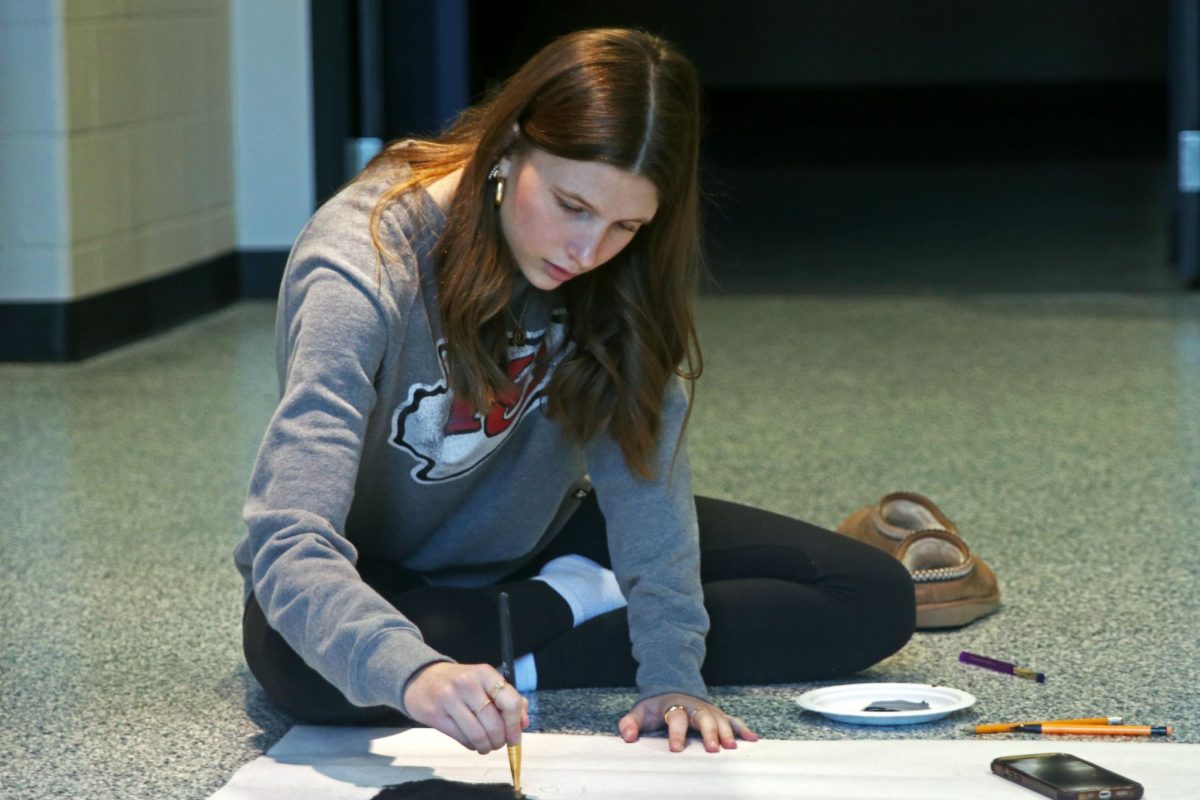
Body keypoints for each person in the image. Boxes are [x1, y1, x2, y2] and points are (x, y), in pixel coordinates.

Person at [236, 27, 915, 758]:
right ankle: (570, 604)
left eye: (627, 224)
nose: (587, 252)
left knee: (871, 596)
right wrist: (419, 673)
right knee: (300, 668)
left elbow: (646, 485)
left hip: (539, 534)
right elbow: (287, 538)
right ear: (507, 149)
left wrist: (672, 675)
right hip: (388, 570)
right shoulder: (359, 266)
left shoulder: (616, 272)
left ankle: (513, 647)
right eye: (571, 205)